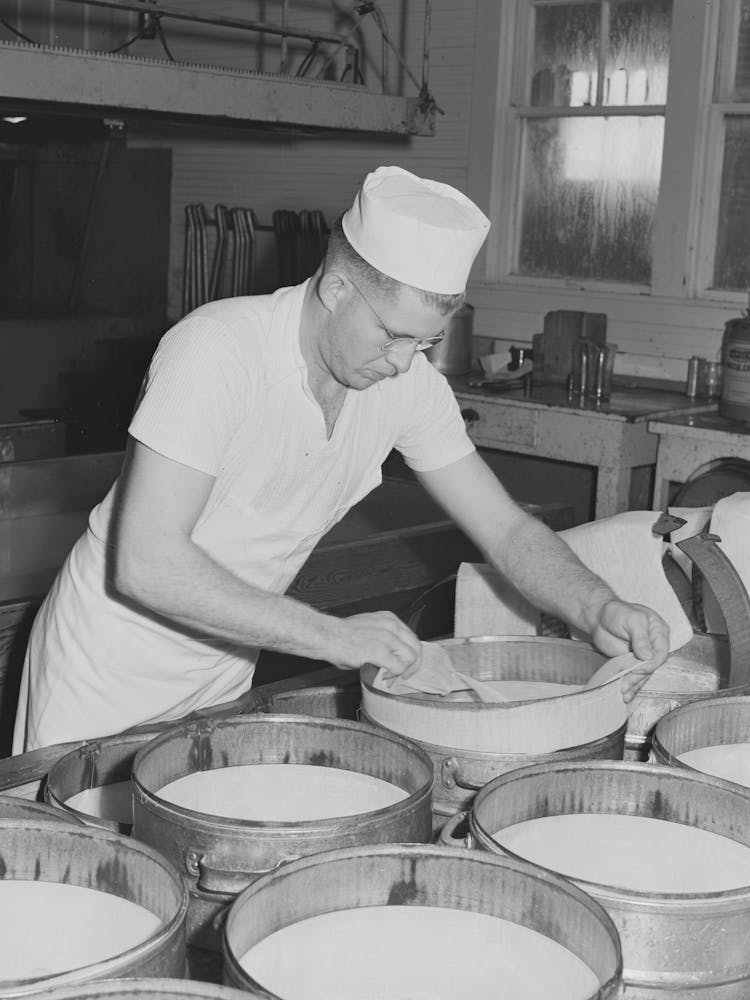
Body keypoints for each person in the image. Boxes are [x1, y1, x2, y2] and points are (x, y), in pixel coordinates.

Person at [12, 165, 669, 753]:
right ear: (335, 291)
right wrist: (335, 638)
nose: (406, 362)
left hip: (218, 671)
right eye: (393, 334)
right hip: (101, 675)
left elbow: (507, 528)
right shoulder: (215, 353)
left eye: (429, 342)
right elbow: (148, 564)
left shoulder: (406, 382)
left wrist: (597, 608)